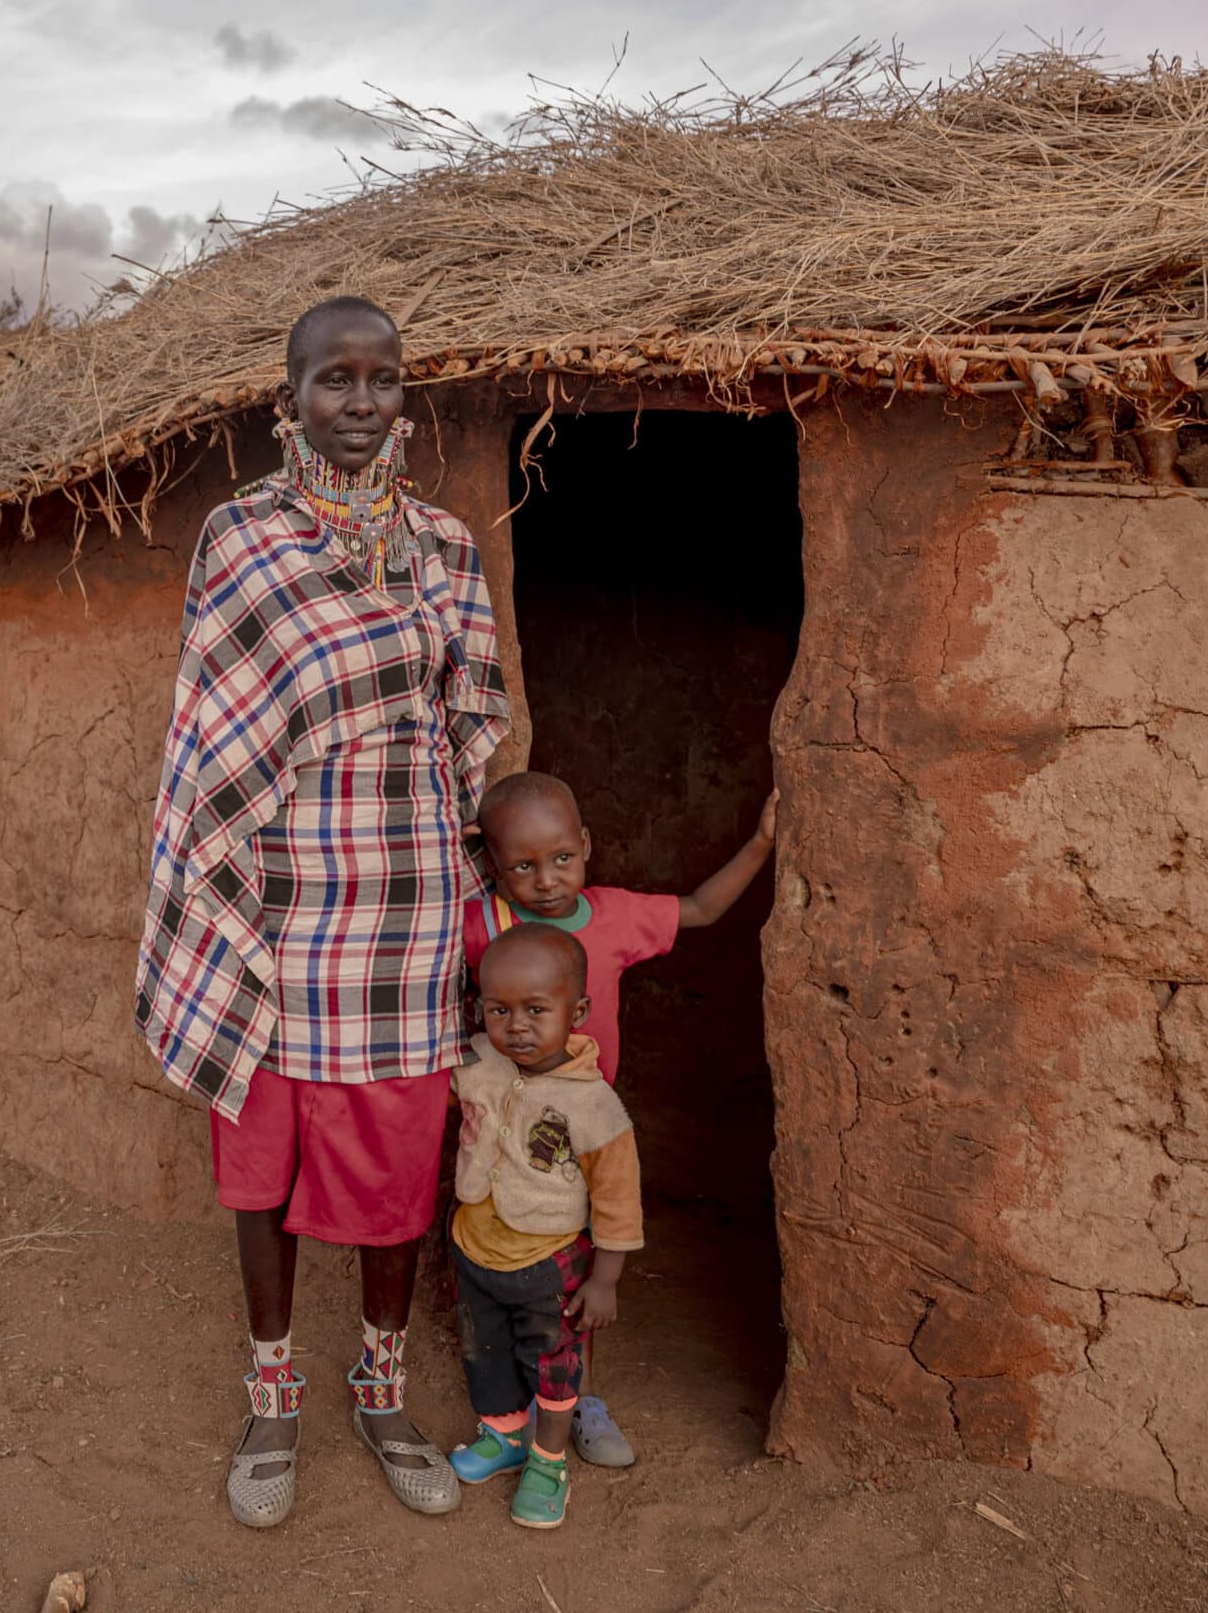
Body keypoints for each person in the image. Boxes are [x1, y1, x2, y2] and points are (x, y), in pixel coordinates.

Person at [138, 295, 510, 1528]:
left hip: (402, 906)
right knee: (263, 1167)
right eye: (334, 381)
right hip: (281, 902)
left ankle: (380, 1385)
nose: (360, 404)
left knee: (398, 1162)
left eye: (382, 380)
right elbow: (215, 730)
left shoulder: (446, 548)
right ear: (285, 397)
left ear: (404, 395)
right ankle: (274, 1393)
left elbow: (472, 721)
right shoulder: (241, 538)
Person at [460, 769, 776, 1466]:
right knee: (507, 1254)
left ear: (588, 846)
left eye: (562, 858)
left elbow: (698, 907)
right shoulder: (484, 922)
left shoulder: (612, 915)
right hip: (507, 1122)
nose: (546, 880)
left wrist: (760, 843)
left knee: (573, 1274)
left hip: (578, 1126)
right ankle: (512, 1413)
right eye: (523, 865)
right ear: (493, 864)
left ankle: (580, 1399)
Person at [442, 922, 640, 1529]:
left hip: (549, 1262)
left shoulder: (594, 1105)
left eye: (536, 1009)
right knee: (486, 1351)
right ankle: (504, 1436)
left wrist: (604, 1281)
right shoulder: (478, 1062)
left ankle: (549, 1460)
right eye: (499, 1010)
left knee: (554, 1360)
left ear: (577, 1010)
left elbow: (617, 1201)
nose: (516, 1026)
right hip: (474, 1249)